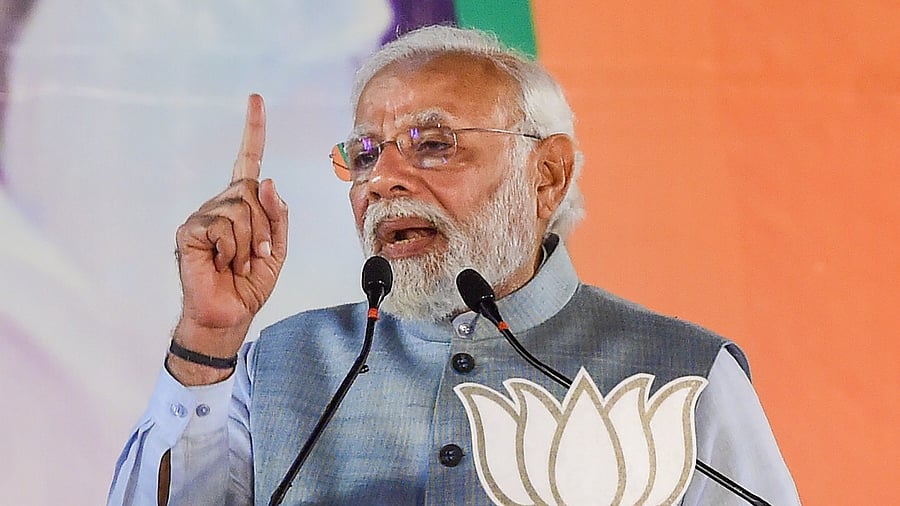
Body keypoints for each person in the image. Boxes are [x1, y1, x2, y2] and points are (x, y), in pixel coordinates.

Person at [108, 25, 799, 505]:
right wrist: (207, 339)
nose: (383, 180)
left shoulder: (686, 372)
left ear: (546, 175)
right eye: (367, 154)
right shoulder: (280, 364)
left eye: (432, 144)